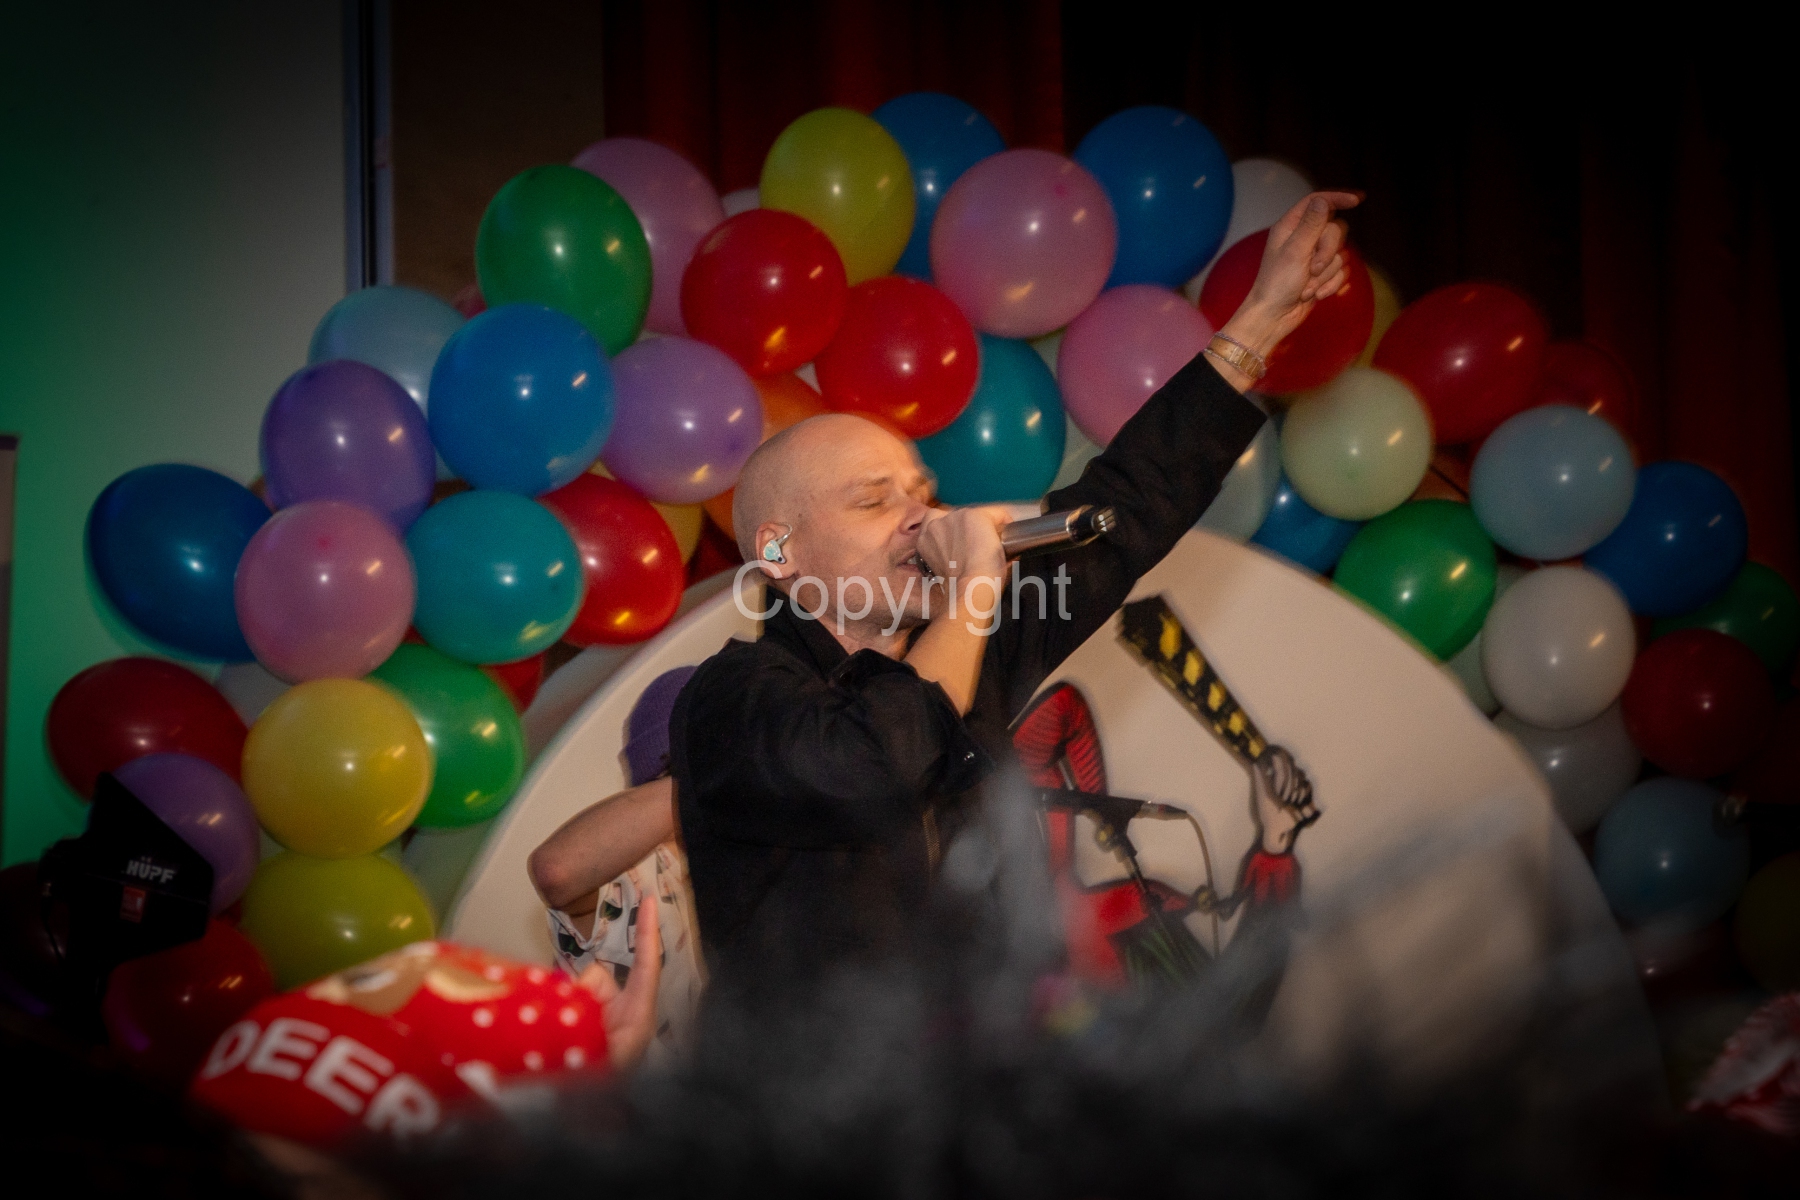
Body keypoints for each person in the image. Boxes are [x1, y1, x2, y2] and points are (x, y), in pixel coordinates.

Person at [662, 190, 1359, 1007]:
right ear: (778, 552)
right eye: (874, 499)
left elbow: (1129, 503)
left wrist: (1261, 322)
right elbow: (874, 760)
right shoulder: (735, 696)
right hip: (824, 1085)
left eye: (924, 493)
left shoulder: (972, 644)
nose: (922, 516)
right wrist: (972, 594)